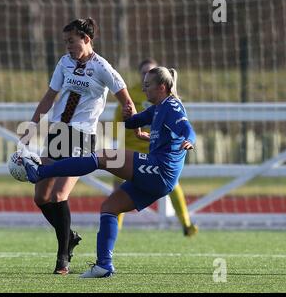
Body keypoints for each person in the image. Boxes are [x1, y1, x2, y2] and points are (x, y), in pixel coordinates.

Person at [22, 66, 196, 278]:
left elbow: (187, 129)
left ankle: (42, 170)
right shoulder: (157, 108)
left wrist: (189, 141)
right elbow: (133, 122)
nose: (143, 88)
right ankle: (104, 265)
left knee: (103, 157)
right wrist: (130, 117)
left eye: (147, 85)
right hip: (159, 177)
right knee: (109, 207)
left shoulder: (172, 106)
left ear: (161, 87)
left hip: (160, 169)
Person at [19, 18, 138, 275]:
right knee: (40, 197)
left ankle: (63, 258)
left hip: (81, 137)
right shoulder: (64, 63)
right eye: (65, 42)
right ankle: (69, 236)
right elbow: (50, 97)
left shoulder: (102, 67)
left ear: (86, 39)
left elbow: (126, 99)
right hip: (57, 134)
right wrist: (31, 126)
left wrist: (135, 122)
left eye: (71, 41)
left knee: (60, 195)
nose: (67, 47)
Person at [114, 58, 198, 236]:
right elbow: (121, 121)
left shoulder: (167, 104)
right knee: (119, 187)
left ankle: (186, 223)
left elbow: (186, 128)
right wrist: (125, 120)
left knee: (173, 185)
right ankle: (116, 227)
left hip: (156, 150)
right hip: (132, 147)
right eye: (144, 72)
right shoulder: (132, 94)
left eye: (150, 72)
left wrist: (188, 139)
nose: (146, 76)